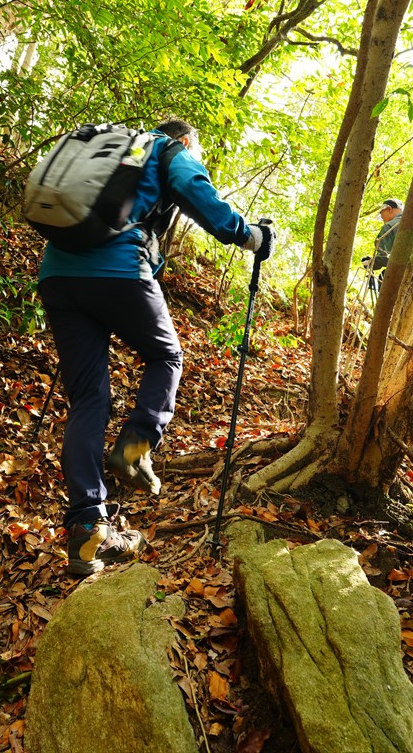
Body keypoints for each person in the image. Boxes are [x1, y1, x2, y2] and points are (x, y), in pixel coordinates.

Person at [38, 118, 276, 576]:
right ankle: (135, 448)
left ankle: (87, 528)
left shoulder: (114, 151)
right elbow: (199, 195)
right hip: (117, 270)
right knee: (166, 356)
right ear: (186, 140)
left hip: (57, 274)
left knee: (88, 400)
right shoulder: (168, 149)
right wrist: (250, 235)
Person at [361, 198, 403, 291]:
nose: (382, 217)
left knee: (384, 277)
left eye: (381, 213)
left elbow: (384, 257)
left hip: (400, 276)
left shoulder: (389, 226)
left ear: (389, 209)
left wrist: (370, 263)